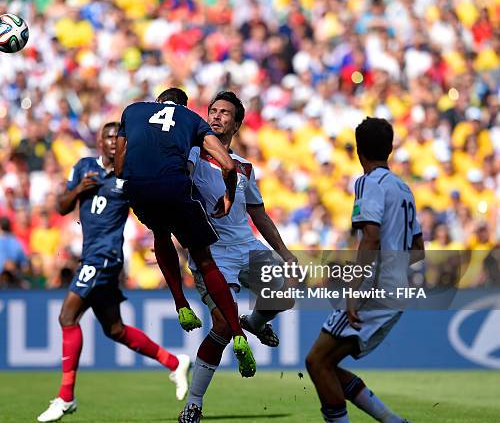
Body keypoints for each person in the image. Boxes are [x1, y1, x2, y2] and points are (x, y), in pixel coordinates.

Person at [37, 122, 191, 423]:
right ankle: (175, 362)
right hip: (90, 255)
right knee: (114, 329)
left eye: (117, 139)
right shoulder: (83, 167)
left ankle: (66, 397)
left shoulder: (128, 177)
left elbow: (152, 205)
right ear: (98, 141)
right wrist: (79, 189)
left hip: (104, 257)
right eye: (107, 137)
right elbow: (61, 206)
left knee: (67, 317)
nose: (112, 143)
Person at [115, 87, 256, 378]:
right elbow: (228, 165)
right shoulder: (191, 119)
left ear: (157, 103)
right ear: (184, 106)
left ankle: (180, 304)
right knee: (204, 258)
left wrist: (129, 181)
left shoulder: (133, 110)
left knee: (160, 233)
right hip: (174, 188)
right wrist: (229, 195)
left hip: (137, 189)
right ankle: (238, 332)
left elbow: (120, 162)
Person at [178, 91, 297, 422]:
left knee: (286, 290)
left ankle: (255, 322)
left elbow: (259, 215)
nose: (216, 116)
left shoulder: (244, 168)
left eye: (224, 113)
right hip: (212, 251)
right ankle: (194, 401)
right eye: (212, 111)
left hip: (247, 246)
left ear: (237, 123)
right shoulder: (193, 155)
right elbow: (179, 189)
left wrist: (285, 253)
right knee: (220, 325)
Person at [305, 118, 424, 423]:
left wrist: (354, 290)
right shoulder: (403, 188)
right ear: (391, 148)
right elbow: (418, 249)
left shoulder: (367, 182)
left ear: (359, 151)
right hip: (396, 290)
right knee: (327, 364)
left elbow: (370, 237)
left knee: (317, 362)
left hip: (373, 290)